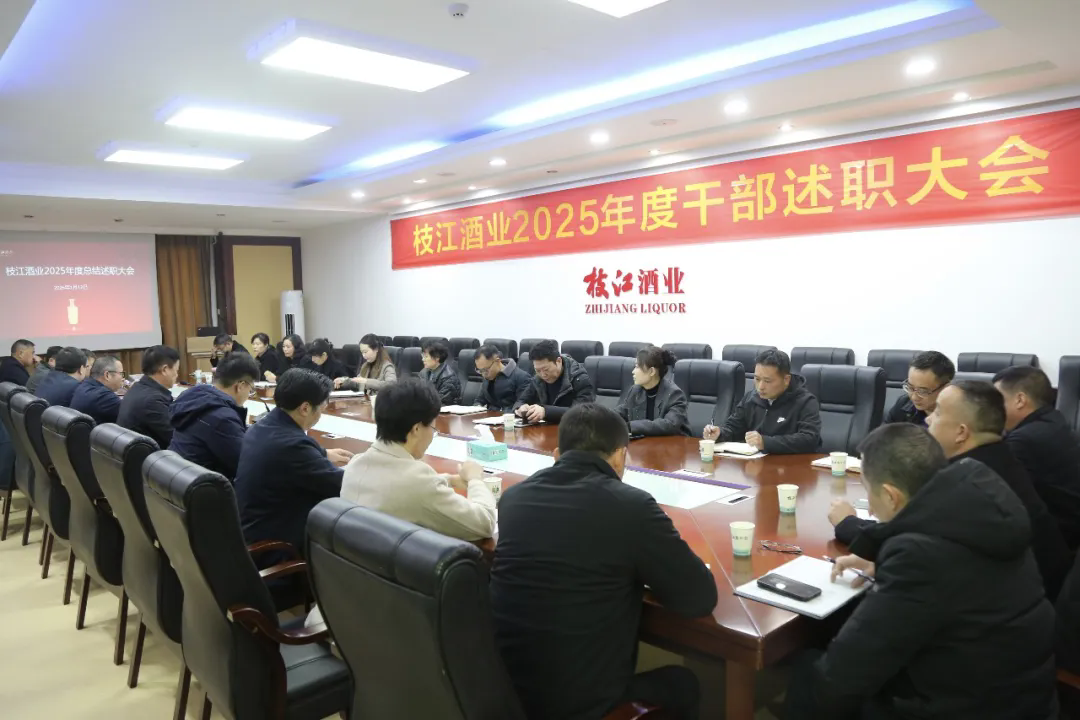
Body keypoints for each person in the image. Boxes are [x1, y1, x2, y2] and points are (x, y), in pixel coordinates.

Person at [785, 423, 1057, 720]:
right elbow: (965, 581)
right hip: (1027, 697)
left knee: (810, 673)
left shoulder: (919, 558)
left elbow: (843, 678)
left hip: (963, 707)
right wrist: (881, 566)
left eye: (868, 491)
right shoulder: (983, 508)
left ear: (891, 496)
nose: (870, 511)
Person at [491, 403, 717, 720]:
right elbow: (699, 598)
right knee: (684, 683)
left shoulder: (513, 498)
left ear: (557, 454)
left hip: (503, 690)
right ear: (621, 456)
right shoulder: (631, 506)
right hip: (578, 704)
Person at [830, 381, 1073, 600]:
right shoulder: (998, 458)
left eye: (937, 413)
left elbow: (906, 536)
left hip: (1024, 603)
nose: (928, 420)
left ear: (961, 432)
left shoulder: (968, 479)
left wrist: (847, 523)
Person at [234, 368, 354, 555]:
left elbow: (292, 459)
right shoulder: (293, 446)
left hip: (252, 532)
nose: (320, 414)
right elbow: (344, 486)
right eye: (321, 408)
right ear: (305, 408)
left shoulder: (261, 427)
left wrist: (322, 453)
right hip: (278, 549)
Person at [994, 365, 1080, 549]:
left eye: (997, 401)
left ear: (1020, 400)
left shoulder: (1023, 440)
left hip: (1059, 542)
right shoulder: (1054, 420)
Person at [703, 348, 821, 453]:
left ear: (786, 379)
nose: (760, 387)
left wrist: (766, 442)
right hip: (756, 465)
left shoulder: (805, 402)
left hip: (792, 466)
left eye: (767, 381)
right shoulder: (751, 398)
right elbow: (733, 428)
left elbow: (809, 439)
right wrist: (720, 433)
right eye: (757, 379)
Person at [168, 352, 260, 479]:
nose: (249, 393)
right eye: (251, 389)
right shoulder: (223, 418)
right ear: (241, 386)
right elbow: (247, 466)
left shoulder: (194, 397)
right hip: (207, 485)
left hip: (180, 477)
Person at [514, 339, 595, 424]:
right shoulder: (538, 378)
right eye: (537, 370)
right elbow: (521, 401)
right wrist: (520, 408)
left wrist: (546, 411)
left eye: (546, 369)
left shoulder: (579, 378)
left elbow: (583, 412)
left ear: (558, 361)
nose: (543, 375)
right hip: (546, 428)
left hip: (571, 428)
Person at [615, 346, 690, 437]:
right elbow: (622, 411)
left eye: (637, 367)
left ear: (651, 371)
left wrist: (630, 426)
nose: (633, 371)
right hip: (646, 442)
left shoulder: (674, 394)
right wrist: (605, 417)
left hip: (672, 443)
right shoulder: (635, 391)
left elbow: (669, 424)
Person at [117, 345, 180, 449]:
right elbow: (178, 437)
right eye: (176, 370)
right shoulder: (153, 401)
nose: (177, 375)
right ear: (164, 370)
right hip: (154, 456)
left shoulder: (137, 388)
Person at [883, 351, 955, 426]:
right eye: (910, 387)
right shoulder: (904, 404)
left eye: (922, 391)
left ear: (945, 388)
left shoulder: (957, 416)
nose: (914, 397)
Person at [70, 355, 124, 424]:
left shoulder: (84, 385)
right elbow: (130, 415)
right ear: (107, 375)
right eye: (121, 374)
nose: (123, 378)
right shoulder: (104, 397)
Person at [475, 343, 530, 412]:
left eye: (485, 370)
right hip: (489, 417)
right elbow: (479, 400)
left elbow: (521, 406)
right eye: (480, 371)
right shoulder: (487, 375)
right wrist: (476, 408)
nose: (483, 374)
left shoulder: (522, 377)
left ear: (497, 361)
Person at [419, 340, 461, 405]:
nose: (423, 359)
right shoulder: (423, 372)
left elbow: (440, 402)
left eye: (426, 356)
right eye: (422, 356)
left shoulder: (449, 378)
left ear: (437, 358)